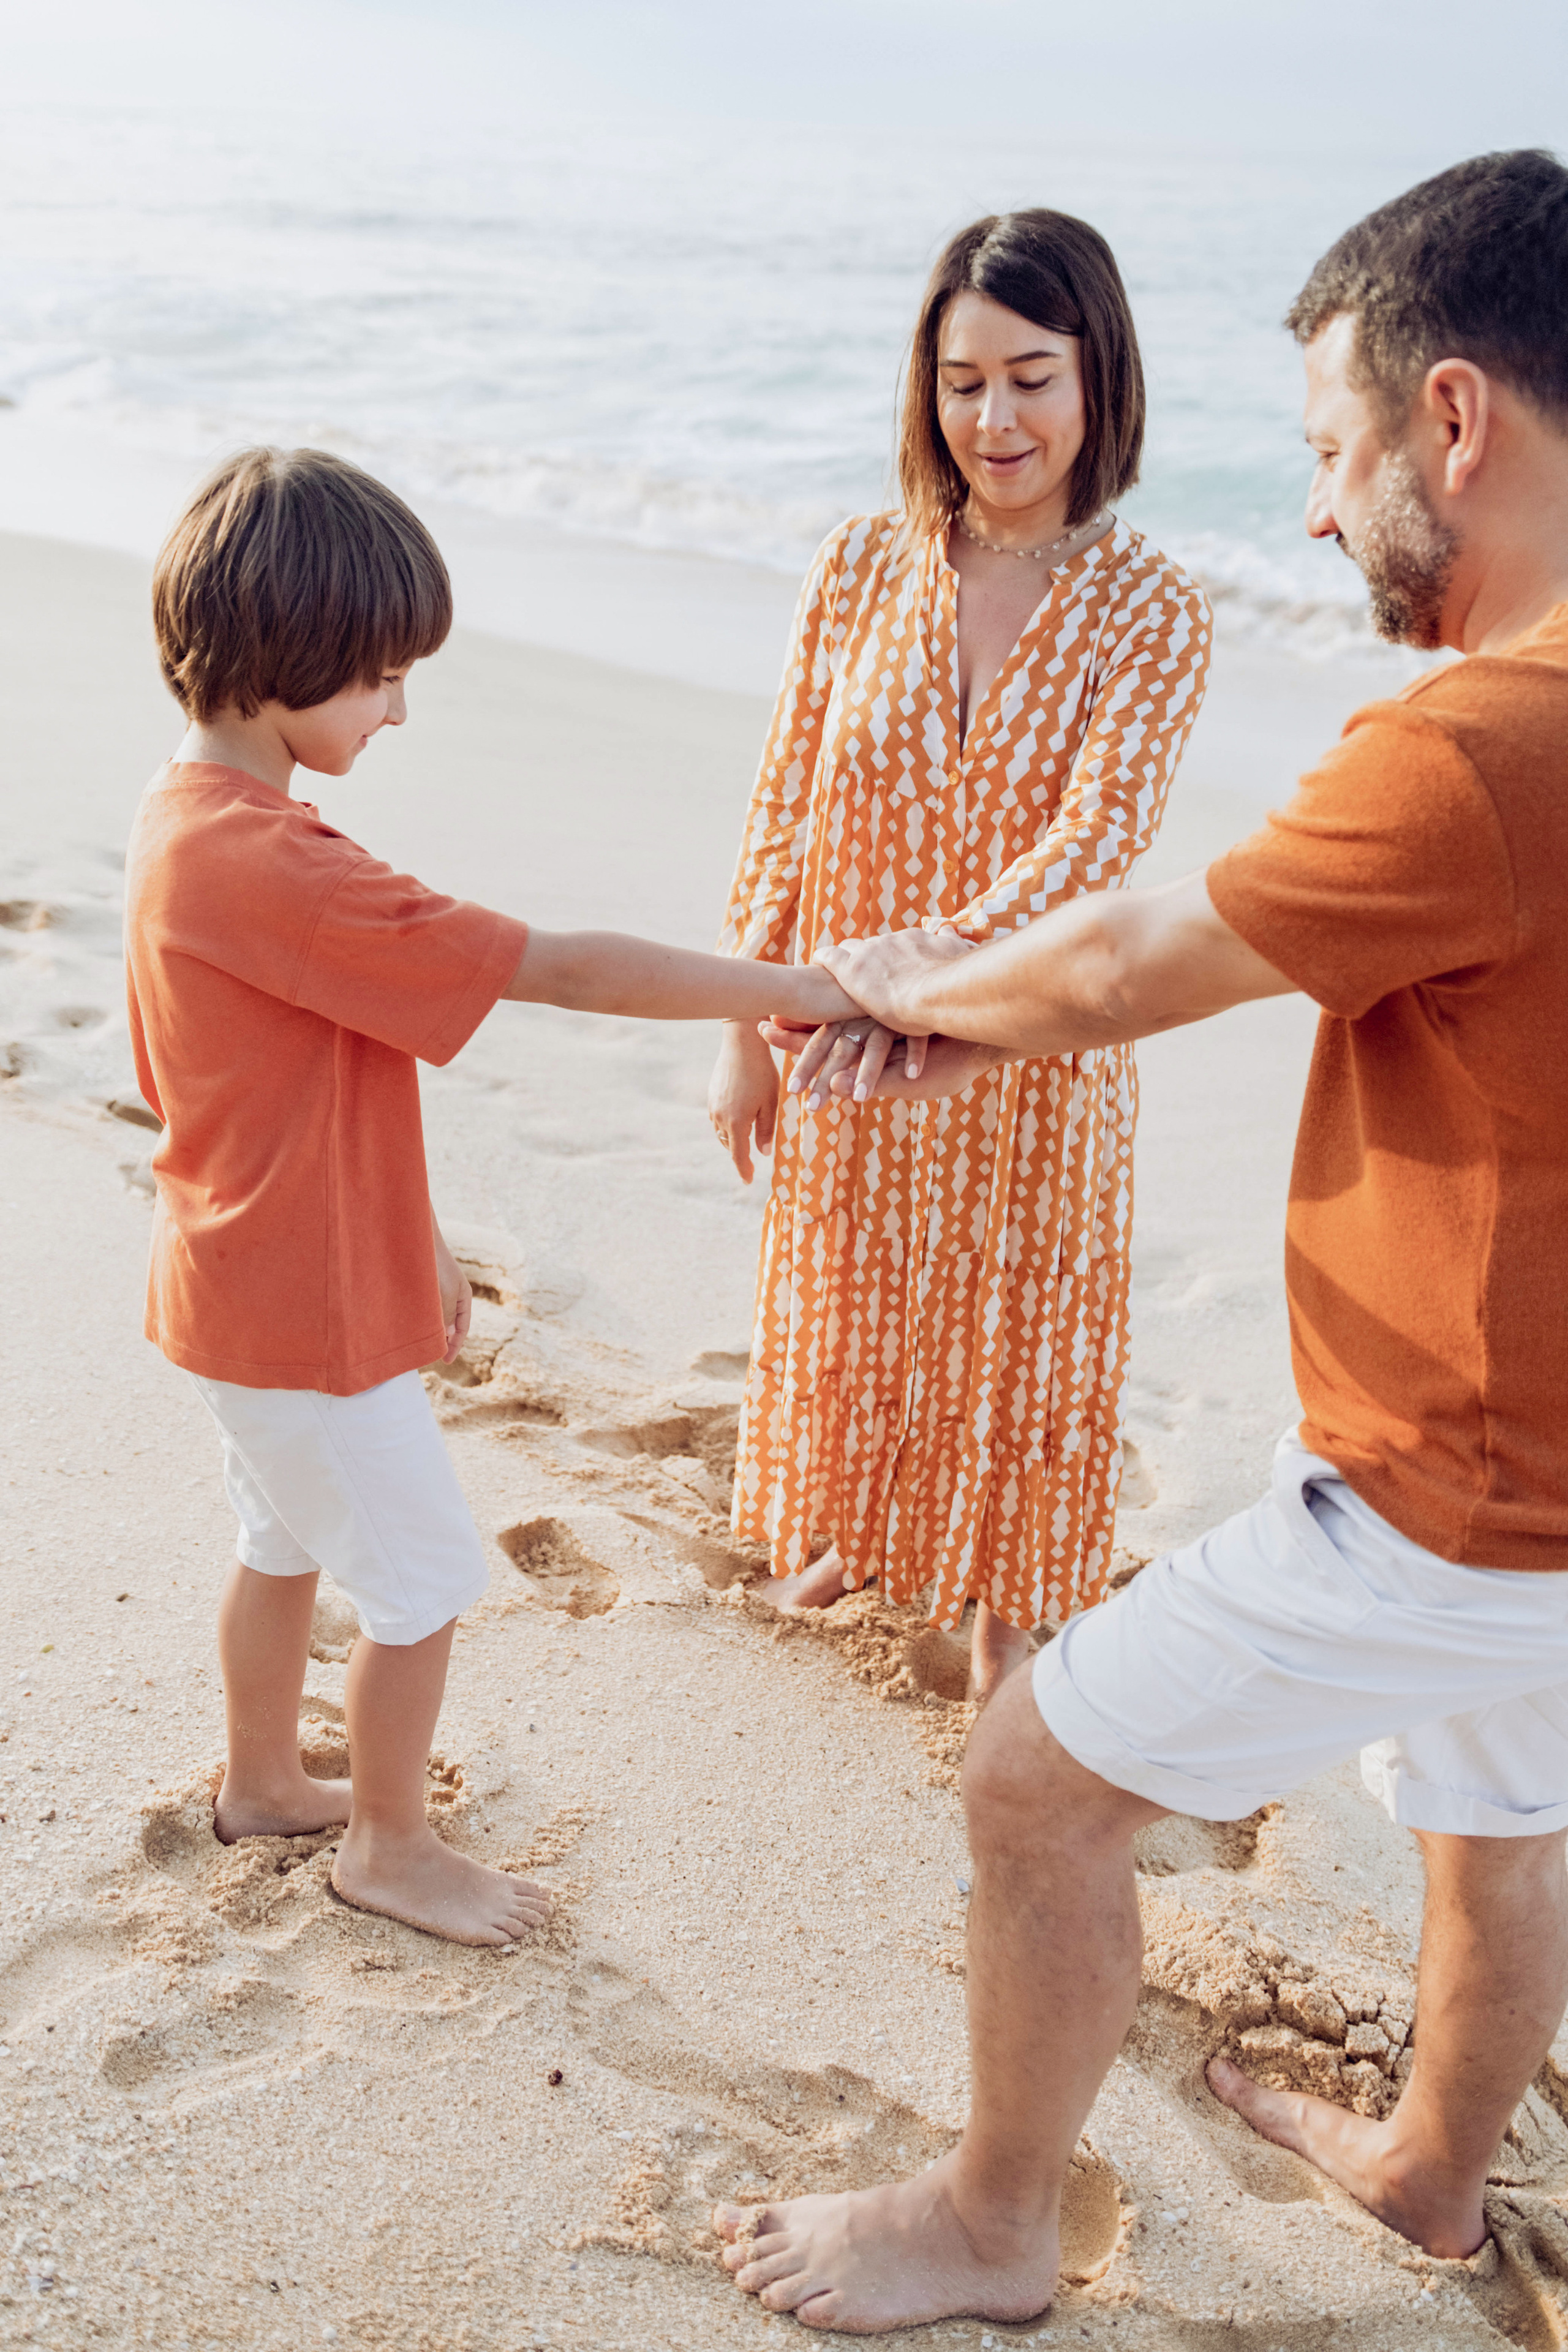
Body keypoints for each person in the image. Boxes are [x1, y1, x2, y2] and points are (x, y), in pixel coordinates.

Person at [713, 147, 1568, 2330]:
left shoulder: (1483, 750)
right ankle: (1428, 2187)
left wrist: (894, 1003)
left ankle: (992, 2222)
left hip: (1462, 1491)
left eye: (1332, 450)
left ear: (1449, 423)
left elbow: (1123, 960)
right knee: (1498, 1807)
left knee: (1030, 1776)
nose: (1313, 511)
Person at [130, 445, 858, 1949]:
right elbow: (561, 967)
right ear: (288, 662)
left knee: (278, 1541)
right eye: (382, 676)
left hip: (234, 1282)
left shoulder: (186, 816)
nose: (399, 707)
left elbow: (296, 1093)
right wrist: (806, 985)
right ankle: (386, 1847)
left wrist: (422, 1246)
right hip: (301, 1317)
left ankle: (266, 1777)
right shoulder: (280, 868)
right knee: (421, 1580)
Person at [708, 211, 1211, 1697]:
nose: (993, 418)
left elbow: (1092, 845)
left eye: (1030, 377)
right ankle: (855, 1527)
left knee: (1023, 1321)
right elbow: (785, 799)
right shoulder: (860, 567)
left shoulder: (1152, 608)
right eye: (961, 379)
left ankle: (1006, 1607)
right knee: (851, 1281)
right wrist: (741, 1025)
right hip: (832, 1032)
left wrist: (907, 988)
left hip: (1030, 1041)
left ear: (1097, 375)